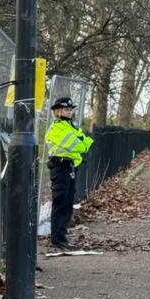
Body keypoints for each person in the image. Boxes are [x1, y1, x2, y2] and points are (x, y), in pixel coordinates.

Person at [43, 97, 93, 251]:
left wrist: (80, 143)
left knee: (67, 202)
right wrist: (80, 143)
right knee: (61, 202)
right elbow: (78, 144)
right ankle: (57, 239)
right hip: (60, 166)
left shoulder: (72, 127)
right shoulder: (57, 128)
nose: (69, 112)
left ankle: (61, 236)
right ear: (57, 111)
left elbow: (87, 142)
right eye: (66, 109)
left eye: (71, 109)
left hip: (70, 167)